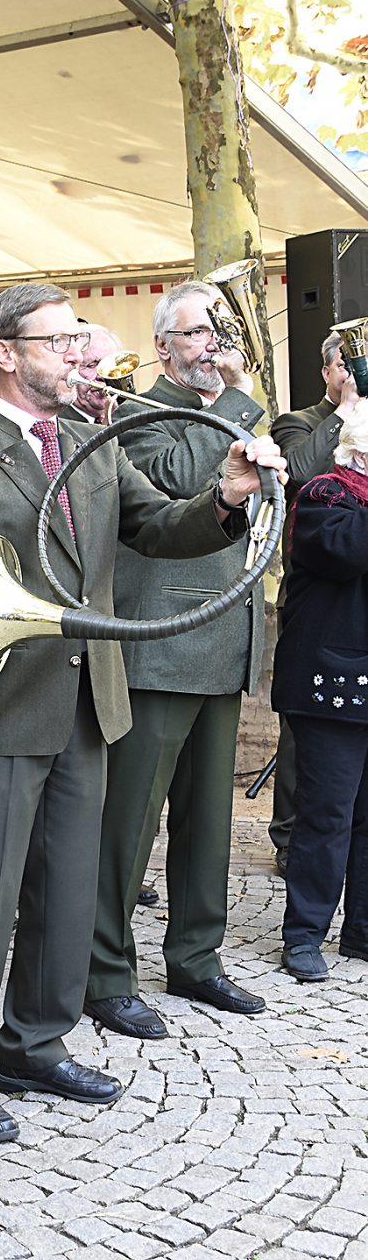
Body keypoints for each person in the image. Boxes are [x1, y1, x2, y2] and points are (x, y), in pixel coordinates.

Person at [0, 282, 283, 1146]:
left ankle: (36, 1043)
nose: (78, 353)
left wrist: (226, 496)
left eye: (77, 340)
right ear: (6, 353)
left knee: (68, 891)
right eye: (60, 341)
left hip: (86, 705)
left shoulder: (95, 447)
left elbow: (162, 527)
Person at [85, 281, 269, 1040]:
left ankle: (196, 955)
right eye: (198, 333)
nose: (214, 346)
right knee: (130, 823)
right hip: (163, 642)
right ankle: (104, 972)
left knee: (209, 822)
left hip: (224, 636)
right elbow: (182, 484)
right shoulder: (138, 413)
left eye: (220, 331)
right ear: (163, 346)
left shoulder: (233, 410)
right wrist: (235, 404)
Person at [272, 401, 368, 981]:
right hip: (329, 682)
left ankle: (360, 930)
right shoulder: (324, 497)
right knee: (326, 816)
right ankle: (304, 935)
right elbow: (351, 552)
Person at [269, 330, 359, 874]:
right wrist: (347, 408)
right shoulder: (299, 421)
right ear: (327, 370)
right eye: (347, 364)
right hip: (316, 595)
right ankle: (288, 835)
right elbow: (300, 474)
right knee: (307, 727)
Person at [61, 324, 123, 427]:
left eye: (111, 366)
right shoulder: (57, 420)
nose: (103, 376)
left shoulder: (125, 414)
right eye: (92, 365)